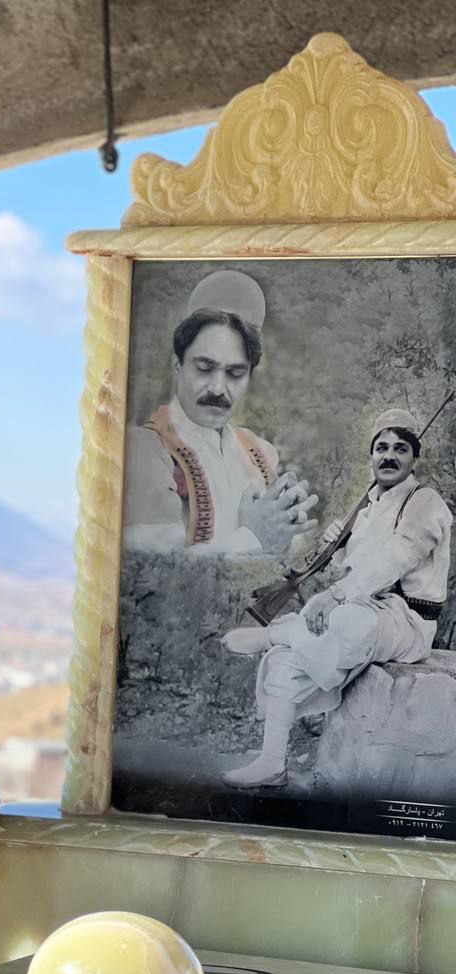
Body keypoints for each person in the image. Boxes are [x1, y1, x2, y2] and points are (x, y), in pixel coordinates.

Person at [221, 409, 452, 788]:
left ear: (415, 458)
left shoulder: (425, 502)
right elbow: (353, 570)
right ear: (372, 456)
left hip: (408, 622)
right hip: (366, 611)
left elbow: (395, 559)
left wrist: (336, 595)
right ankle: (272, 765)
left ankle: (274, 633)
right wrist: (339, 547)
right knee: (285, 660)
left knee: (343, 620)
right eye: (381, 448)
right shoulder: (368, 507)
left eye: (400, 448)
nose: (389, 456)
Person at [123, 269, 319, 555]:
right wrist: (254, 537)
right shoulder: (143, 449)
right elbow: (157, 567)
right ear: (178, 365)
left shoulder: (259, 452)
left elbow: (287, 550)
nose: (217, 388)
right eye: (204, 368)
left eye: (235, 373)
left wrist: (288, 529)